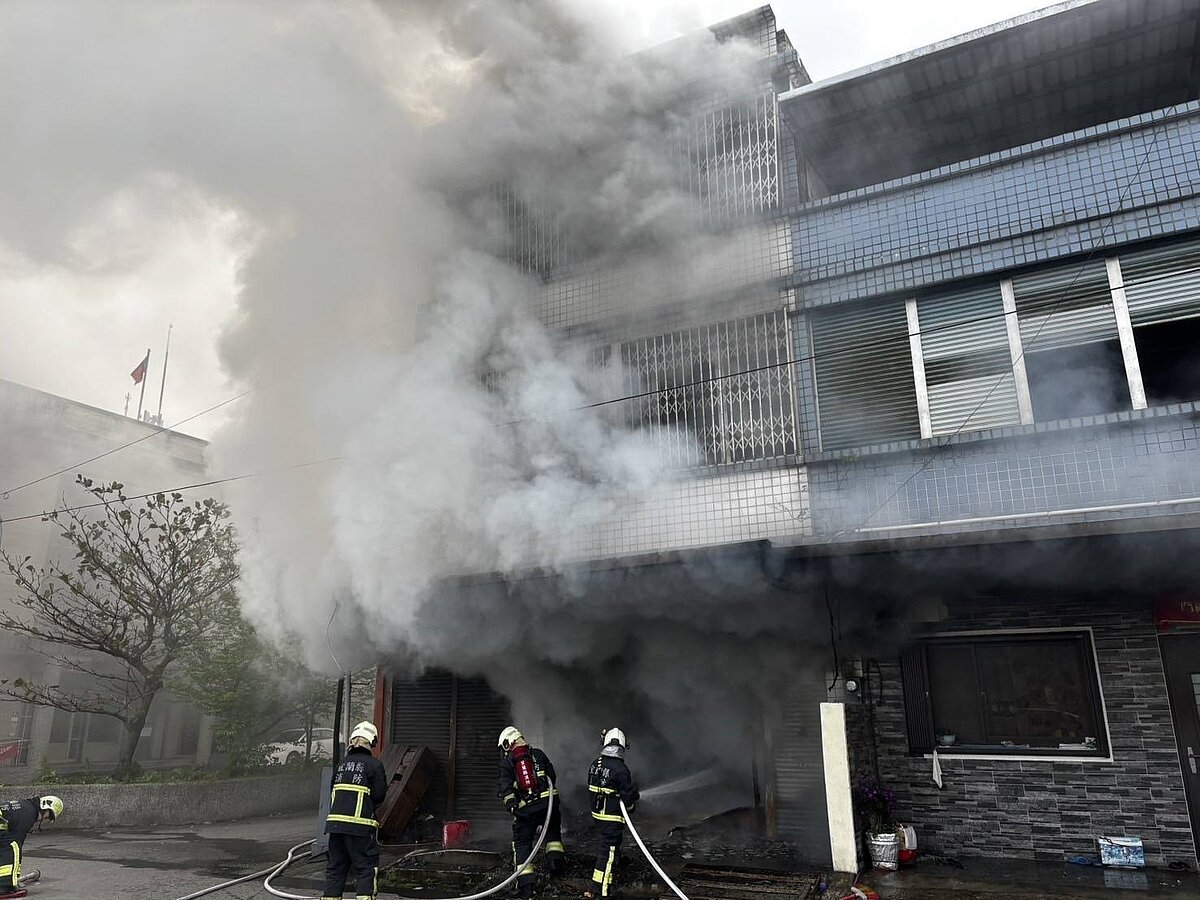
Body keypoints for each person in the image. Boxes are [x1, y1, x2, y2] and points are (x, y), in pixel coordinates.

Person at [496, 725, 565, 899]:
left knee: (522, 843)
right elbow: (552, 776)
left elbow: (505, 787)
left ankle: (526, 888)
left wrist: (511, 803)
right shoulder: (539, 754)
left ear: (507, 744)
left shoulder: (508, 762)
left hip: (527, 811)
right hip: (549, 805)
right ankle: (556, 864)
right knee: (553, 834)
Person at [322, 721, 388, 900]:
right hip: (360, 828)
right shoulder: (374, 766)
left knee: (335, 869)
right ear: (372, 742)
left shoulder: (341, 765)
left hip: (335, 828)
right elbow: (379, 796)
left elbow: (332, 792)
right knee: (365, 868)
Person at [586, 728, 638, 900]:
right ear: (622, 746)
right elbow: (627, 797)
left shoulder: (595, 763)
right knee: (607, 852)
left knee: (609, 847)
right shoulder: (621, 769)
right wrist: (631, 806)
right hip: (611, 817)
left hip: (598, 815)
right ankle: (602, 890)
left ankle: (614, 867)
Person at [0, 795, 63, 896]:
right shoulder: (29, 814)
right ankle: (5, 887)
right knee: (13, 848)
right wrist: (14, 879)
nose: (46, 819)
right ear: (44, 807)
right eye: (49, 815)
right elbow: (17, 840)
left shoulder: (25, 806)